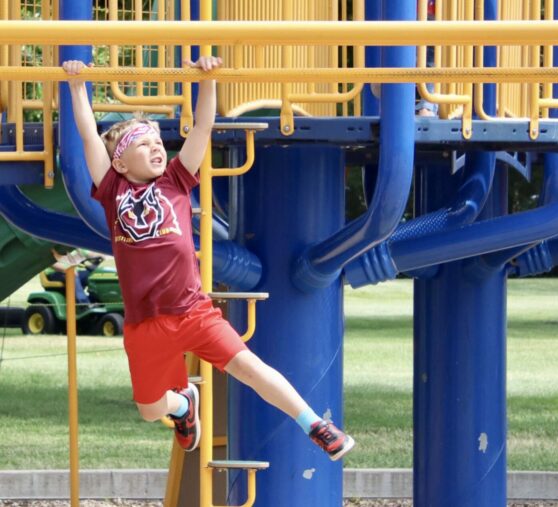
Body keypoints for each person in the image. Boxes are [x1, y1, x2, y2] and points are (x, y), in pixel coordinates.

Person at [62, 58, 354, 460]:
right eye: (143, 146)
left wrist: (209, 80)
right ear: (120, 163)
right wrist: (78, 87)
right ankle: (183, 406)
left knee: (249, 368)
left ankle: (316, 425)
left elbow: (201, 128)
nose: (156, 149)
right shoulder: (111, 189)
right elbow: (88, 136)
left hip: (193, 312)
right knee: (150, 411)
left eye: (157, 143)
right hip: (144, 324)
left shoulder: (176, 181)